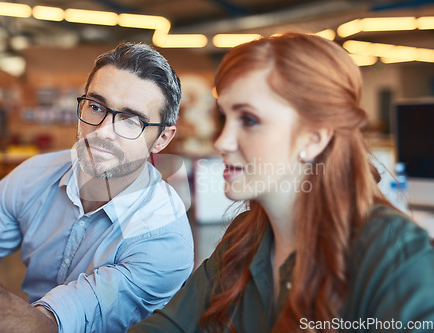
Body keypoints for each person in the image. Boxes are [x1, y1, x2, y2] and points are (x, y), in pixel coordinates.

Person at [129, 33, 434, 333]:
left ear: (314, 138)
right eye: (225, 118)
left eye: (248, 120)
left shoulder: (395, 255)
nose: (222, 141)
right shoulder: (244, 239)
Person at [0, 42, 194, 333]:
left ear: (162, 139)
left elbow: (49, 328)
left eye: (131, 120)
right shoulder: (32, 178)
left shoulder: (163, 240)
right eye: (95, 106)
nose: (102, 131)